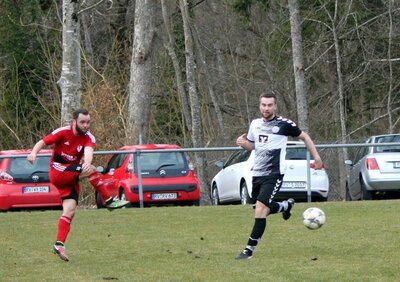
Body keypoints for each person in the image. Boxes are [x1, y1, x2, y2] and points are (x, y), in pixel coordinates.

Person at [27, 108, 129, 262]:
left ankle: (59, 244)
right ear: (74, 122)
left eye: (88, 122)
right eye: (82, 122)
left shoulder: (89, 137)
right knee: (92, 171)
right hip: (58, 171)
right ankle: (108, 201)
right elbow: (42, 142)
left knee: (69, 211)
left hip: (71, 178)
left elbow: (88, 152)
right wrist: (33, 153)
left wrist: (87, 163)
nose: (86, 125)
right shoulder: (63, 132)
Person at [235, 93, 323, 260]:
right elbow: (254, 146)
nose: (266, 108)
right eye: (263, 105)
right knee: (261, 210)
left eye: (269, 105)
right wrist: (243, 144)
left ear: (275, 106)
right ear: (260, 106)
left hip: (274, 173)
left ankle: (248, 250)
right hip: (257, 173)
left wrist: (316, 157)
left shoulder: (284, 124)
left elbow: (305, 136)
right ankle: (285, 206)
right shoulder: (255, 124)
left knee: (260, 209)